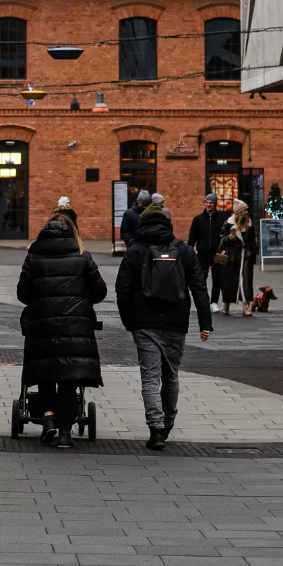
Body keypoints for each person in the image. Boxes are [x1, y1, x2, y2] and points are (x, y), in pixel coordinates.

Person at [116, 192, 212, 450]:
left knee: (150, 377)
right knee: (170, 376)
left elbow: (122, 289)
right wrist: (205, 323)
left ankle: (155, 428)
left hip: (144, 323)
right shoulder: (183, 251)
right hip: (176, 321)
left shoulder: (135, 252)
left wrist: (129, 321)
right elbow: (199, 287)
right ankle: (168, 423)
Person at [15, 202, 107, 448]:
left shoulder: (32, 257)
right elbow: (100, 292)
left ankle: (48, 421)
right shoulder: (83, 257)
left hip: (43, 328)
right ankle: (65, 433)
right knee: (68, 378)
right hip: (74, 329)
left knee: (46, 374)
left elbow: (23, 295)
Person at [214, 198, 258, 316]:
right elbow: (221, 238)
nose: (246, 212)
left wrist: (252, 256)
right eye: (244, 210)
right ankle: (226, 303)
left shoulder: (249, 224)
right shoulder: (228, 223)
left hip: (245, 256)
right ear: (238, 212)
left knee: (246, 281)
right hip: (231, 256)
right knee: (228, 281)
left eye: (247, 210)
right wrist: (229, 238)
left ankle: (246, 305)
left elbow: (253, 243)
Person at [186, 193, 220, 291]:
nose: (208, 205)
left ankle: (214, 302)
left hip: (216, 254)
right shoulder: (198, 219)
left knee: (217, 279)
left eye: (211, 203)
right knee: (201, 279)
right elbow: (192, 238)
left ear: (215, 204)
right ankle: (203, 300)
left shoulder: (221, 218)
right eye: (207, 202)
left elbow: (223, 236)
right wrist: (188, 252)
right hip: (202, 254)